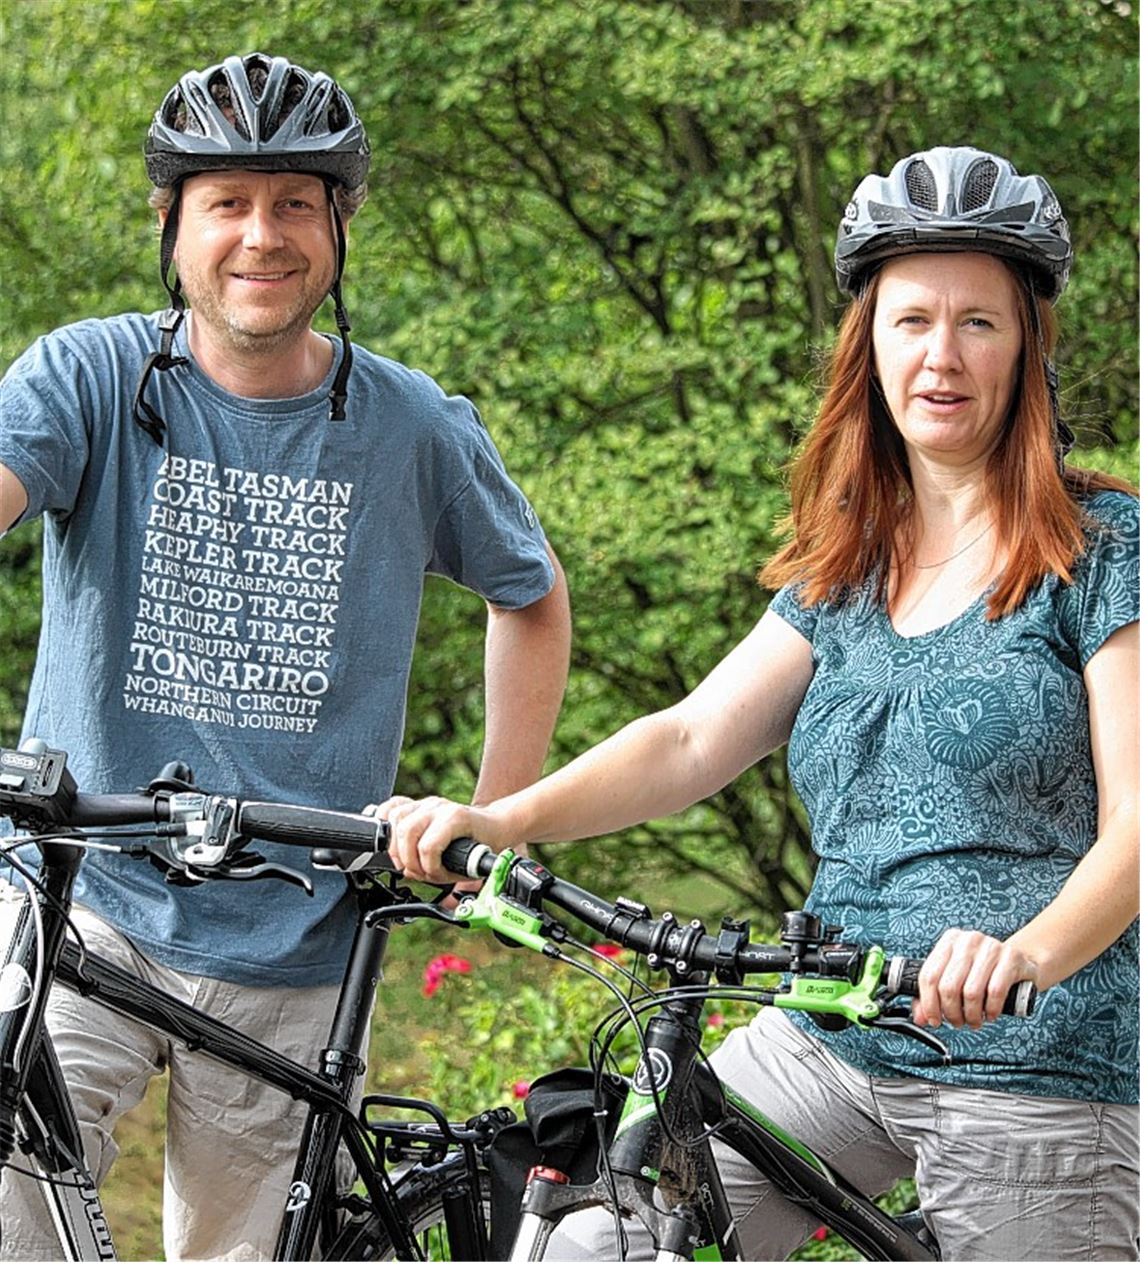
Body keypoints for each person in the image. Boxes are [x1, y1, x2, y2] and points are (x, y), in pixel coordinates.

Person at [375, 146, 1139, 1260]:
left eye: (980, 322)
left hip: (1041, 1053)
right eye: (912, 319)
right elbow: (689, 737)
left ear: (1026, 348)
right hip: (832, 1032)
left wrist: (1027, 953)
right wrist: (504, 819)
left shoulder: (1103, 549)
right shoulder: (849, 567)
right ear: (867, 347)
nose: (943, 353)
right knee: (593, 1243)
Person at [0, 52, 570, 1261]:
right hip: (75, 905)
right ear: (172, 221)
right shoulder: (89, 378)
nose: (262, 235)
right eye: (228, 203)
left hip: (302, 937)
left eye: (296, 202)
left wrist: (495, 809)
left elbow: (530, 591)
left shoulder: (411, 423)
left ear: (339, 223)